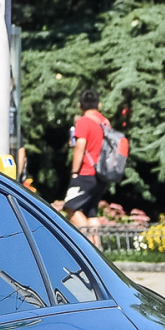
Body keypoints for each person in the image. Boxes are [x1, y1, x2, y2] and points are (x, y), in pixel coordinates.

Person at [60, 86, 111, 225]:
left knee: (71, 208)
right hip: (101, 174)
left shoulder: (84, 121)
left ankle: (85, 245)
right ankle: (97, 246)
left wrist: (75, 172)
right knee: (91, 212)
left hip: (86, 172)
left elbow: (80, 147)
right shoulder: (105, 122)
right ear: (98, 105)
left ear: (80, 105)